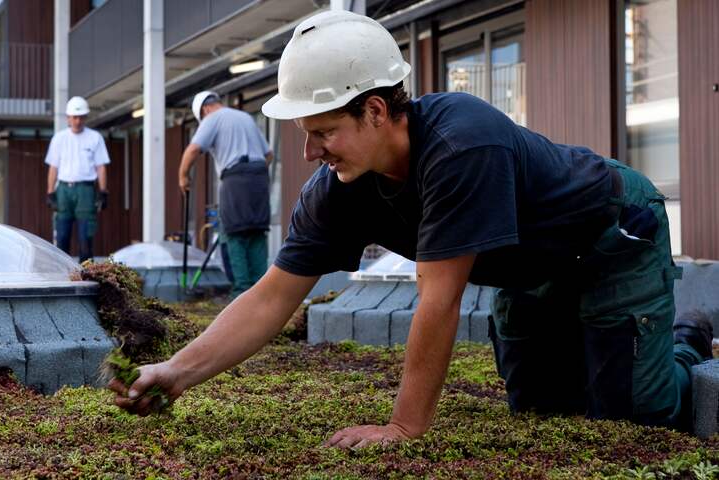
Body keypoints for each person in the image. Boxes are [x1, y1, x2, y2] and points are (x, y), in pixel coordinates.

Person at [111, 10, 712, 447]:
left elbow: (440, 298)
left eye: (322, 132)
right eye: (305, 135)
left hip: (610, 236)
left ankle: (685, 337)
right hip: (531, 271)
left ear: (375, 110)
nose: (310, 152)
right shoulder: (335, 191)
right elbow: (271, 297)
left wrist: (404, 427)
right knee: (544, 411)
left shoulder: (460, 142)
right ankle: (617, 342)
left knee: (631, 416)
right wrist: (176, 373)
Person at [178, 91, 273, 297]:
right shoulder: (245, 117)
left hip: (235, 178)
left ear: (205, 109)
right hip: (259, 177)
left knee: (233, 233)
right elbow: (269, 154)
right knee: (256, 232)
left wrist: (183, 176)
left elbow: (193, 149)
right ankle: (262, 293)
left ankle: (241, 293)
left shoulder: (212, 118)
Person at [45, 96, 111, 263]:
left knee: (85, 238)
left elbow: (101, 166)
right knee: (62, 236)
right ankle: (61, 276)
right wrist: (50, 192)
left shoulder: (94, 137)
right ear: (68, 118)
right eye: (74, 117)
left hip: (86, 190)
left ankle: (86, 274)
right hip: (64, 190)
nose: (77, 121)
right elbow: (53, 167)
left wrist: (103, 191)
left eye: (81, 117)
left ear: (86, 118)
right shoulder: (59, 138)